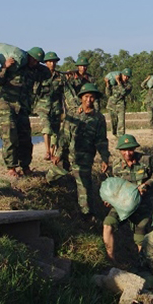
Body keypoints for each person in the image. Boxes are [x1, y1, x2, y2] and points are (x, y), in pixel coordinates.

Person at [54, 83, 110, 216]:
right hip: (68, 156)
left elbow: (101, 140)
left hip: (84, 158)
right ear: (81, 98)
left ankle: (86, 216)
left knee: (84, 188)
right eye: (86, 96)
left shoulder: (99, 118)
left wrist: (105, 158)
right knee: (51, 177)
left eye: (92, 97)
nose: (89, 100)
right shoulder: (72, 114)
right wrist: (59, 153)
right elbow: (64, 135)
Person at [0, 46, 50, 178]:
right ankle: (11, 167)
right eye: (34, 60)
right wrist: (5, 67)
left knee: (25, 137)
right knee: (10, 135)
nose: (35, 63)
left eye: (37, 61)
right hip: (7, 104)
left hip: (23, 107)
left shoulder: (35, 71)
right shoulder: (15, 67)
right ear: (29, 57)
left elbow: (48, 73)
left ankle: (25, 165)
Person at [103, 134, 153, 263]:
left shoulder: (146, 160)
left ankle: (142, 263)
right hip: (122, 204)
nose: (127, 153)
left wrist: (146, 184)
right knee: (108, 224)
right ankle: (111, 261)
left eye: (130, 150)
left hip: (142, 205)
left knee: (140, 237)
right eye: (124, 150)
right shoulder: (117, 166)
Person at [34, 51, 66, 160]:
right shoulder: (40, 76)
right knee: (46, 128)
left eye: (54, 62)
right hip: (43, 107)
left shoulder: (60, 77)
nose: (52, 64)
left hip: (56, 108)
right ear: (46, 63)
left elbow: (66, 92)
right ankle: (47, 151)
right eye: (49, 62)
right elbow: (34, 91)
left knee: (55, 132)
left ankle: (52, 153)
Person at [105, 67, 132, 136]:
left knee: (121, 121)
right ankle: (115, 134)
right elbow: (108, 94)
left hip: (121, 104)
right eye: (124, 76)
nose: (126, 78)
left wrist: (118, 82)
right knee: (113, 121)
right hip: (111, 104)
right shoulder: (113, 83)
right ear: (121, 75)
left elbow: (123, 92)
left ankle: (121, 136)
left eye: (128, 77)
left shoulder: (128, 85)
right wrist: (107, 84)